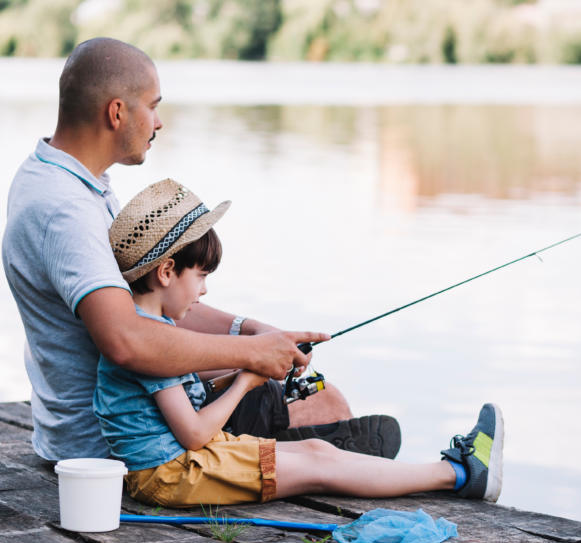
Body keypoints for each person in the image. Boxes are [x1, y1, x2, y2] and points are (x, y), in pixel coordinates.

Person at [2, 37, 399, 464]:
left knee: (301, 391)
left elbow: (147, 304)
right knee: (323, 405)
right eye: (153, 106)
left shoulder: (69, 181)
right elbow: (126, 340)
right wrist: (252, 355)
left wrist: (254, 332)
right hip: (119, 440)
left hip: (134, 410)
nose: (159, 122)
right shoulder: (66, 209)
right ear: (116, 112)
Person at [94, 179, 504, 506]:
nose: (203, 291)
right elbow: (194, 434)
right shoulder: (154, 342)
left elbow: (183, 408)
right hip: (175, 474)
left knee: (315, 448)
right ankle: (459, 474)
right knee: (319, 466)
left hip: (180, 464)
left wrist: (247, 368)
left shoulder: (151, 327)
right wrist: (244, 383)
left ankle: (457, 472)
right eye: (201, 276)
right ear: (166, 272)